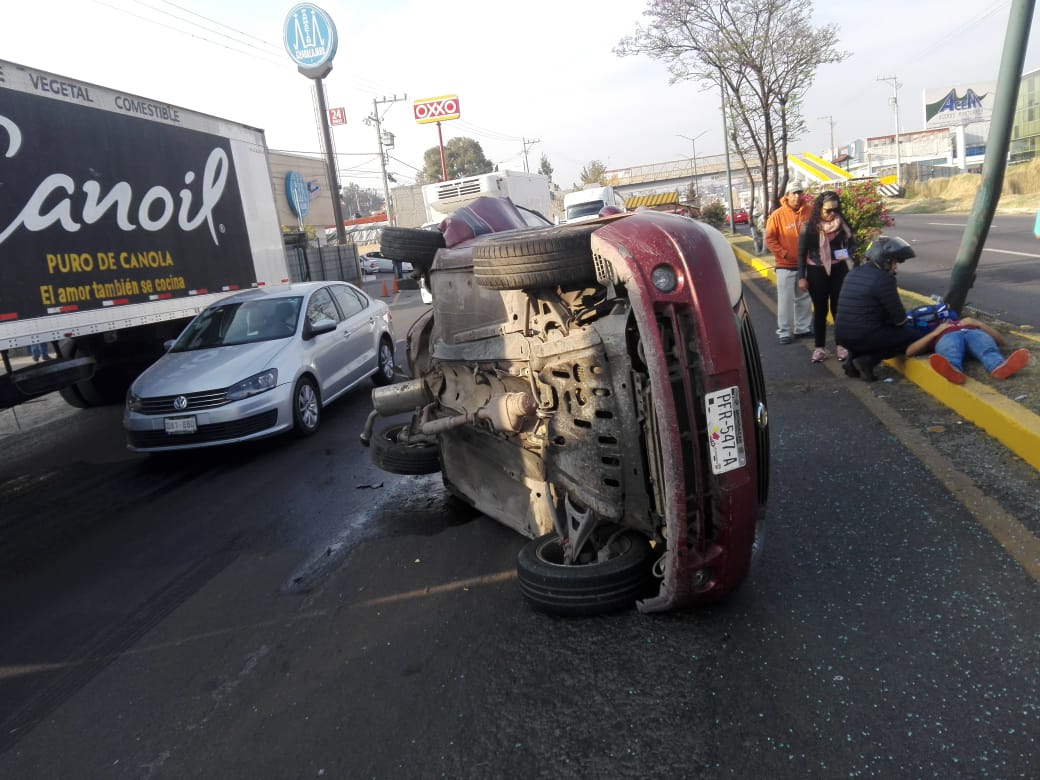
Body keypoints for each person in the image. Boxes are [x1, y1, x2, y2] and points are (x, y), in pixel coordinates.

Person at [834, 235, 919, 382]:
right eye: (894, 263)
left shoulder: (853, 273)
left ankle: (851, 362)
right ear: (884, 261)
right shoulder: (884, 280)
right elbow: (900, 320)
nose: (895, 267)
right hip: (864, 336)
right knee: (913, 336)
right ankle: (868, 361)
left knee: (871, 332)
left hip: (842, 335)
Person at [797, 191, 855, 363]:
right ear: (819, 209)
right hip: (816, 271)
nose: (832, 214)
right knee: (820, 310)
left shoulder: (842, 224)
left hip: (839, 270)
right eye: (828, 211)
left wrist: (840, 254)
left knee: (838, 309)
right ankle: (819, 348)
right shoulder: (808, 227)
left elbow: (851, 245)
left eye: (835, 210)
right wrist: (802, 277)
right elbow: (801, 254)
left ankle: (841, 346)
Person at [905, 315, 1030, 384]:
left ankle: (998, 367)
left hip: (973, 332)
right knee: (951, 352)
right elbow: (909, 351)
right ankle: (953, 371)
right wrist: (936, 333)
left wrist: (979, 324)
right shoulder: (936, 332)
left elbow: (1001, 342)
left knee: (987, 350)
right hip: (947, 337)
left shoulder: (971, 323)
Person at [764, 181, 813, 345]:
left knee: (804, 298)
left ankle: (803, 328)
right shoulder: (777, 215)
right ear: (788, 195)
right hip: (785, 265)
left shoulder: (810, 212)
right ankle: (784, 331)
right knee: (785, 300)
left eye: (800, 193)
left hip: (805, 265)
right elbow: (770, 239)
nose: (797, 196)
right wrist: (783, 254)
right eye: (794, 193)